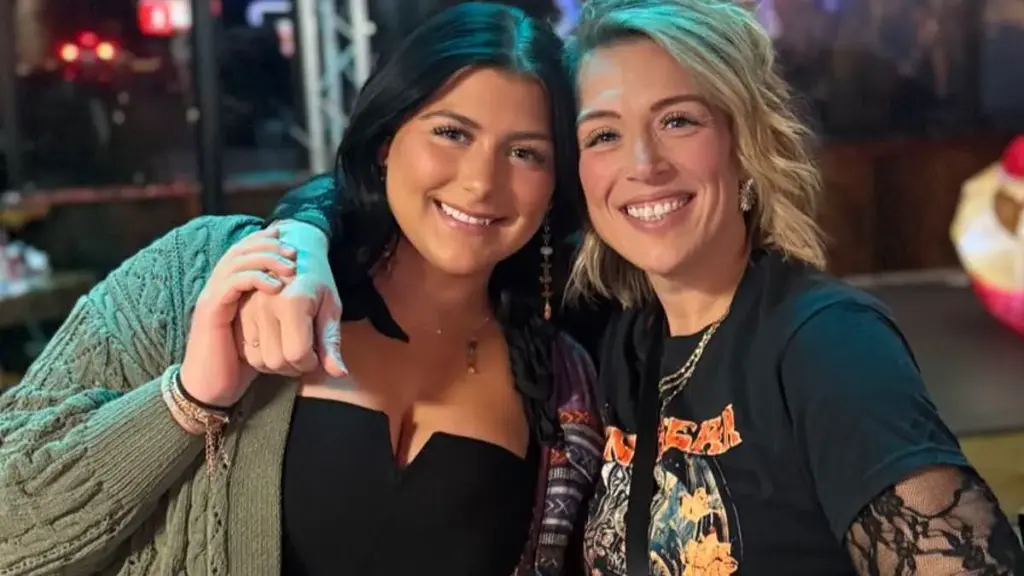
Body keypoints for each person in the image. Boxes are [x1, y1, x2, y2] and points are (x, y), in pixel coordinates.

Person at [258, 0, 1024, 574]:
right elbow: (386, 194)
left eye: (679, 121)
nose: (644, 166)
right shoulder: (599, 331)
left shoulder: (823, 341)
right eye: (603, 134)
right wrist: (301, 240)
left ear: (745, 145)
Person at [0, 4, 603, 575]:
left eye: (524, 153)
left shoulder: (562, 382)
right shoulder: (204, 274)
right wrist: (189, 399)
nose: (481, 182)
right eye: (452, 133)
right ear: (388, 140)